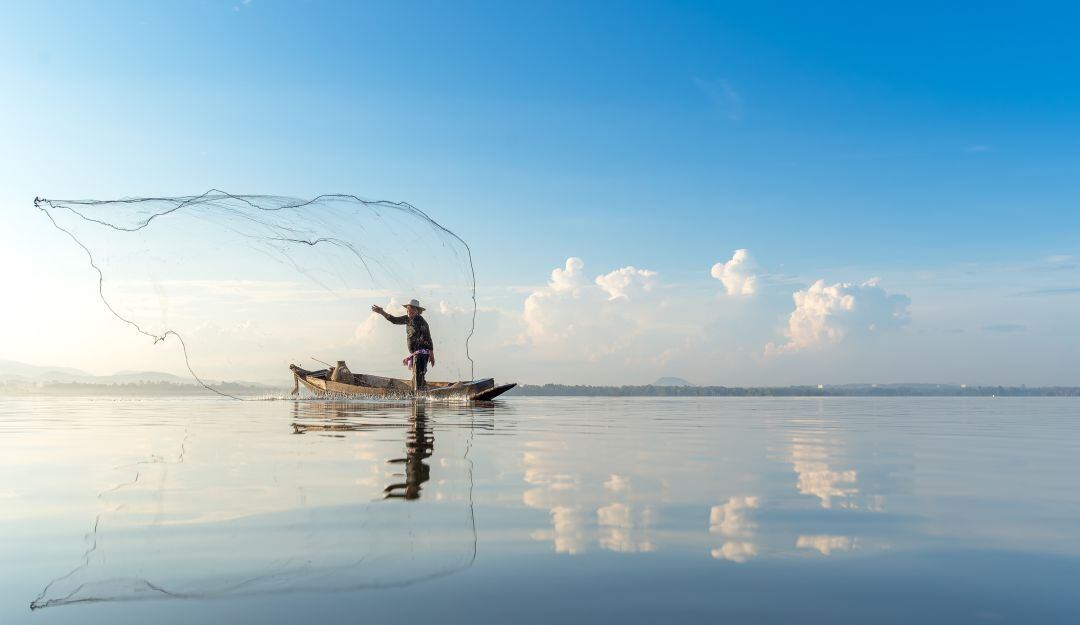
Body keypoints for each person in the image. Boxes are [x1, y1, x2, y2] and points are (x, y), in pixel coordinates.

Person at [371, 299, 435, 390]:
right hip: (415, 353)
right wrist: (382, 312)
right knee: (417, 375)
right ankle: (420, 390)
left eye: (412, 311)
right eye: (408, 311)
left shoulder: (422, 323)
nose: (410, 313)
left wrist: (431, 354)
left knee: (419, 374)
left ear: (418, 312)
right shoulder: (407, 319)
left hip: (422, 354)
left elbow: (428, 338)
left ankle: (419, 392)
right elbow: (394, 320)